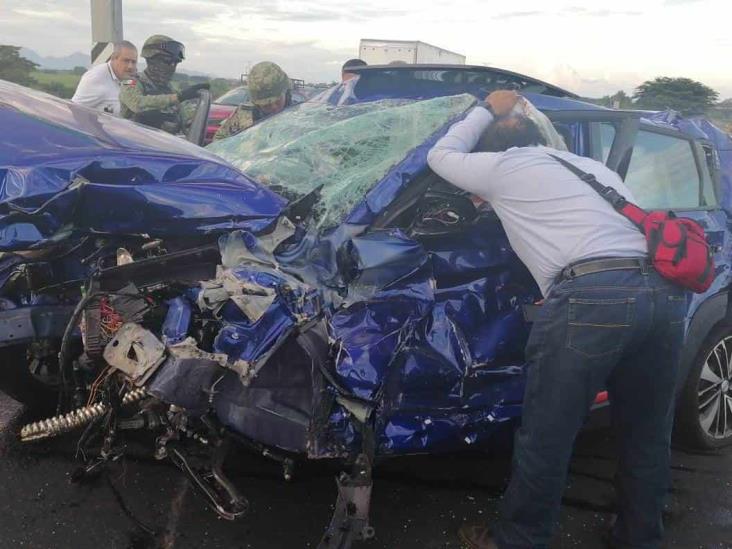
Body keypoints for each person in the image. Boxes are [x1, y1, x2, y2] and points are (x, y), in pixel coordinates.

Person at [427, 91, 685, 549]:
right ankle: (638, 536)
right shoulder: (589, 168)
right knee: (646, 432)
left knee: (547, 435)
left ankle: (518, 541)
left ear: (491, 150)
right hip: (661, 296)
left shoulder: (504, 166)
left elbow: (440, 155)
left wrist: (488, 106)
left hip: (592, 296)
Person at [119, 35, 208, 134]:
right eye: (167, 62)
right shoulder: (130, 82)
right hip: (134, 144)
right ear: (151, 60)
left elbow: (183, 124)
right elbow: (136, 104)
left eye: (175, 63)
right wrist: (177, 97)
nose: (171, 67)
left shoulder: (169, 89)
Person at [213, 61, 291, 141]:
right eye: (266, 105)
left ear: (285, 92)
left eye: (278, 101)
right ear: (256, 103)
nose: (274, 107)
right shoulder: (243, 115)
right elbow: (219, 141)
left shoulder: (298, 115)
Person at [71, 41, 138, 115]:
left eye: (133, 62)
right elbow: (74, 111)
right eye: (126, 61)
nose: (130, 66)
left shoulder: (130, 78)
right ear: (113, 58)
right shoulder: (95, 79)